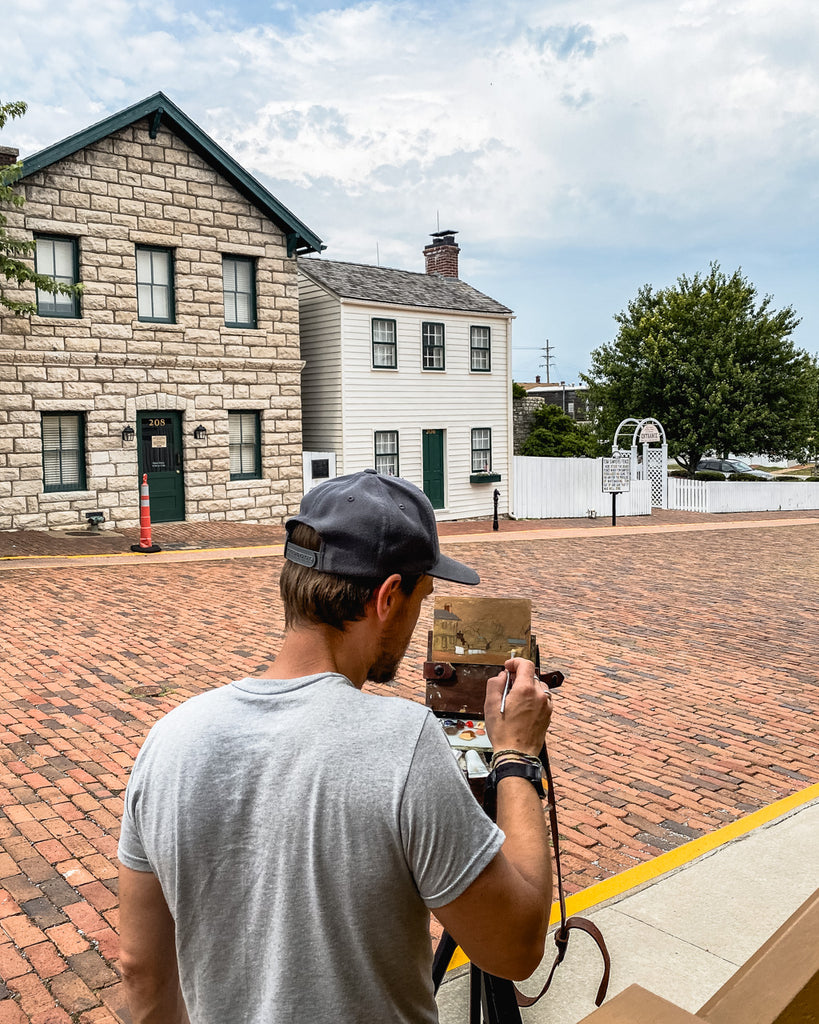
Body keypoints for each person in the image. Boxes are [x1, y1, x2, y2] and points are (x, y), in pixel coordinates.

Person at [118, 469, 553, 1024]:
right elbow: (515, 948)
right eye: (425, 598)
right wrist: (516, 755)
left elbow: (140, 967)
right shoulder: (406, 742)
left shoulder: (168, 740)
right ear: (388, 598)